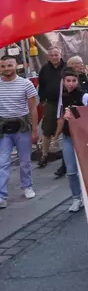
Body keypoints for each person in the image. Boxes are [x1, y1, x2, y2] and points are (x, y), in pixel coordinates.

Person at [0, 55, 39, 208]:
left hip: (22, 127)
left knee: (25, 160)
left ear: (16, 65)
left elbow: (33, 109)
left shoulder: (26, 84)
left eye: (9, 65)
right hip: (3, 128)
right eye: (3, 66)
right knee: (2, 162)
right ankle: (1, 195)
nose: (6, 69)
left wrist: (35, 130)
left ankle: (27, 186)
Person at [55, 68, 86, 213]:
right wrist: (56, 136)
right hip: (68, 137)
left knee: (84, 170)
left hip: (83, 137)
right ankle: (76, 198)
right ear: (63, 81)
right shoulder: (61, 96)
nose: (71, 84)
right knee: (71, 171)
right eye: (68, 81)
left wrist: (74, 113)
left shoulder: (83, 95)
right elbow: (61, 117)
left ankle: (87, 197)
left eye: (74, 81)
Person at [38, 46, 66, 168]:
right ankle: (44, 155)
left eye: (56, 54)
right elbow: (41, 85)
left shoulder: (67, 67)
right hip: (51, 103)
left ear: (60, 54)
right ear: (48, 56)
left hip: (66, 102)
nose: (54, 57)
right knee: (47, 129)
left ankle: (67, 158)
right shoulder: (44, 69)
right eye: (52, 55)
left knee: (67, 130)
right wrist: (43, 99)